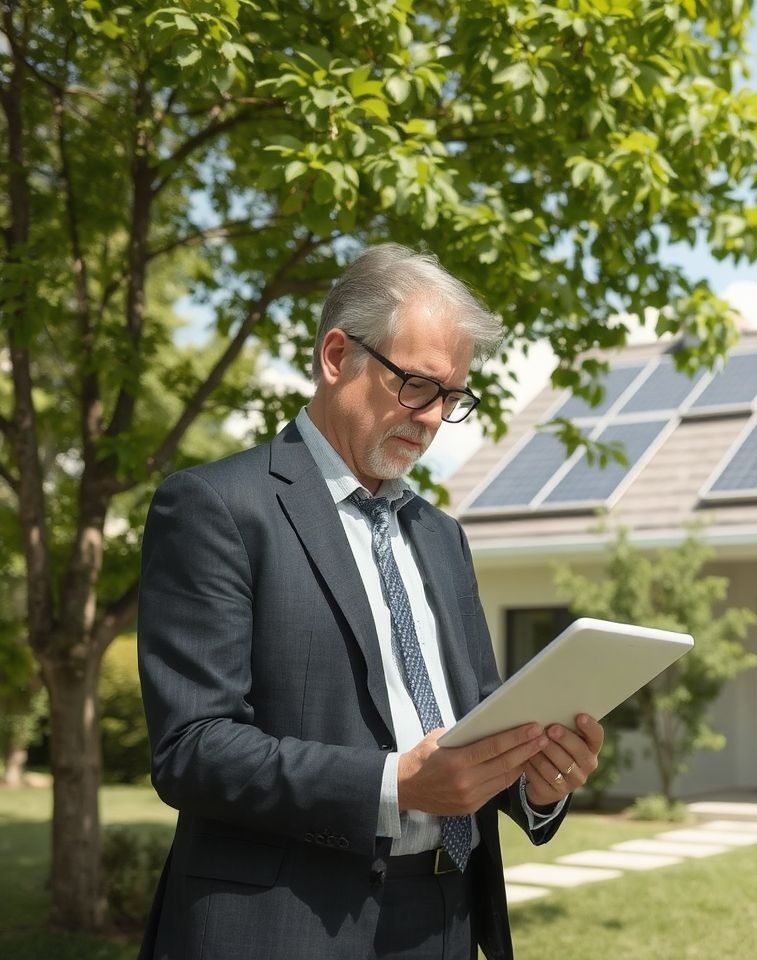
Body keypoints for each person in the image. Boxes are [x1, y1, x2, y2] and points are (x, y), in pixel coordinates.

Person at [137, 243, 603, 960]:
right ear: (335, 356)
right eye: (417, 385)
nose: (432, 418)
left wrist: (537, 779)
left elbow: (476, 723)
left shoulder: (442, 536)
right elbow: (193, 750)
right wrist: (395, 785)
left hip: (447, 917)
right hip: (287, 928)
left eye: (452, 398)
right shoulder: (218, 507)